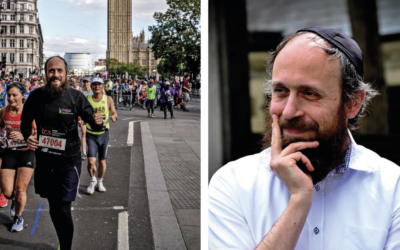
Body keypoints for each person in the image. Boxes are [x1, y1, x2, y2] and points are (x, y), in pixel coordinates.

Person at [208, 26, 400, 249]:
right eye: (280, 91)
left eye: (310, 94)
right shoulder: (233, 184)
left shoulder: (392, 188)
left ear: (352, 103)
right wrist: (299, 201)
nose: (289, 111)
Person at [21, 56, 103, 250]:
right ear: (45, 74)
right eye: (51, 71)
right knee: (54, 206)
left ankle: (65, 247)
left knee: (64, 208)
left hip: (69, 161)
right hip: (45, 161)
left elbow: (92, 121)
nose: (55, 75)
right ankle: (62, 238)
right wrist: (28, 137)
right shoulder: (36, 96)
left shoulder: (76, 97)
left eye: (59, 71)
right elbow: (25, 123)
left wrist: (97, 121)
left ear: (66, 74)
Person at [0, 82, 36, 232]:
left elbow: (39, 132)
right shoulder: (3, 111)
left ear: (22, 95)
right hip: (10, 152)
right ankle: (14, 203)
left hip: (26, 152)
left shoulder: (29, 112)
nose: (11, 98)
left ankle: (18, 217)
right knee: (8, 192)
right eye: (9, 95)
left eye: (15, 95)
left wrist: (24, 135)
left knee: (20, 189)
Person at [86, 77, 117, 194]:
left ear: (103, 86)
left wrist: (114, 116)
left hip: (104, 134)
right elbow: (81, 114)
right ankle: (93, 180)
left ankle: (100, 181)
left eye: (99, 84)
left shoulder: (108, 99)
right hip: (91, 134)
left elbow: (114, 112)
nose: (97, 86)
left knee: (102, 161)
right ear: (91, 86)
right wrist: (80, 120)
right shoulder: (87, 99)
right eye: (94, 84)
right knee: (90, 162)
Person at [79, 77, 93, 160]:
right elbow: (78, 105)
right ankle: (84, 152)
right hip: (83, 116)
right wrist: (79, 117)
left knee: (91, 134)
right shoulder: (80, 92)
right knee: (83, 133)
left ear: (90, 83)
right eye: (85, 82)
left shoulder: (93, 92)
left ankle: (91, 150)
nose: (86, 84)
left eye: (87, 82)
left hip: (91, 116)